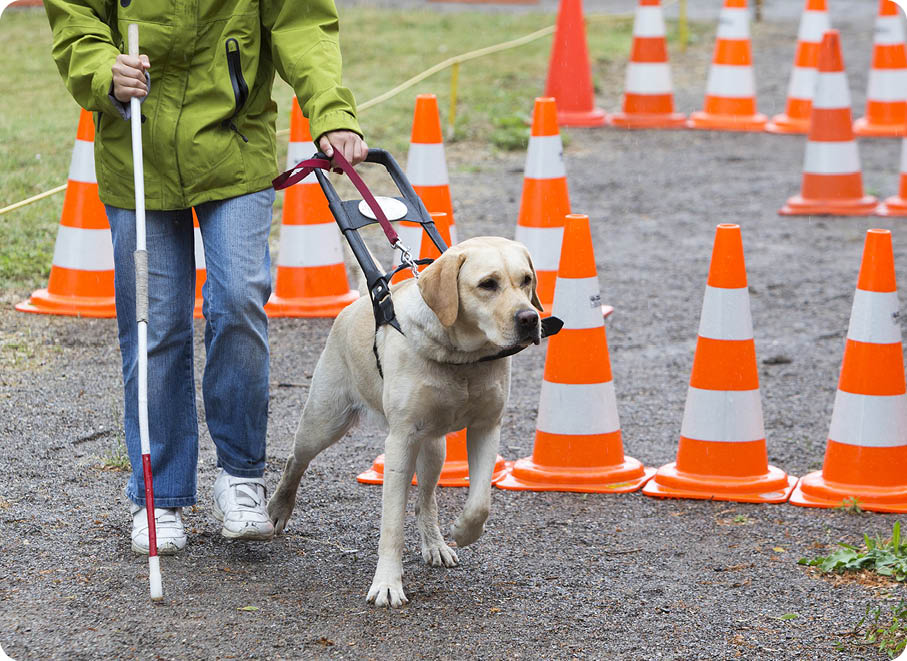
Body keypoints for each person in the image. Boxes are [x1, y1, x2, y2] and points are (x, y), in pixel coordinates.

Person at [44, 0, 367, 554]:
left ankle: (240, 478)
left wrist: (331, 111)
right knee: (157, 324)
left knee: (240, 298)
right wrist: (104, 70)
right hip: (135, 151)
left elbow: (302, 22)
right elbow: (76, 20)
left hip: (235, 149)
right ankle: (158, 496)